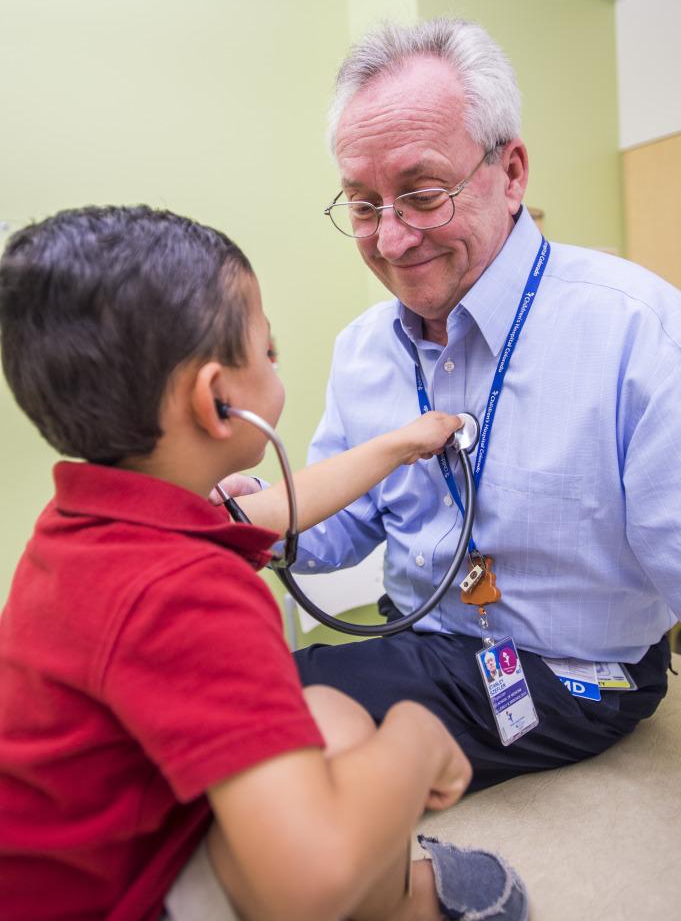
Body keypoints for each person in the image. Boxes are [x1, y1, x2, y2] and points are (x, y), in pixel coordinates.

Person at [0, 205, 533, 921]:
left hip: (75, 859)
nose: (277, 362)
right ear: (218, 401)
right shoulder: (190, 592)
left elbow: (274, 510)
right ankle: (404, 906)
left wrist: (401, 444)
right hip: (114, 900)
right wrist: (416, 738)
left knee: (329, 714)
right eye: (269, 350)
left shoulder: (93, 527)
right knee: (361, 751)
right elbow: (306, 882)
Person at [225, 17, 680, 792]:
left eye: (422, 195)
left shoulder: (638, 330)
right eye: (362, 206)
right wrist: (258, 511)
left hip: (578, 672)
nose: (391, 239)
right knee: (234, 687)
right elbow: (337, 533)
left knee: (260, 716)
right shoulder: (362, 349)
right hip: (420, 637)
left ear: (511, 172)